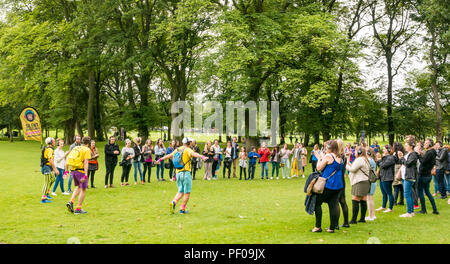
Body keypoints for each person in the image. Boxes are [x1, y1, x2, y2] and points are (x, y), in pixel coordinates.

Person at [156, 137, 208, 214]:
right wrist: (202, 157)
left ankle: (174, 202)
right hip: (186, 173)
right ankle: (182, 209)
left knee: (180, 191)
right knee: (187, 192)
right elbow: (194, 154)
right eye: (191, 142)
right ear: (189, 143)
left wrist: (160, 159)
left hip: (178, 173)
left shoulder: (178, 149)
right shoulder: (188, 150)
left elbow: (169, 155)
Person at [312, 140, 344, 233]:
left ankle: (318, 227)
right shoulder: (339, 157)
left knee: (317, 203)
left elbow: (319, 168)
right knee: (333, 205)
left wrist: (319, 159)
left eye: (327, 147)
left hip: (328, 184)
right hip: (338, 185)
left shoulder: (328, 156)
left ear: (330, 148)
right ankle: (332, 228)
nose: (326, 148)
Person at [64, 136, 92, 215]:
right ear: (89, 143)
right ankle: (78, 208)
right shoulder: (87, 150)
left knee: (78, 187)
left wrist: (66, 171)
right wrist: (86, 174)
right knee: (83, 189)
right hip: (81, 171)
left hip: (73, 170)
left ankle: (71, 201)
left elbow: (67, 159)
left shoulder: (75, 148)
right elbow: (86, 162)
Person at [346, 145, 371, 224]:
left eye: (355, 151)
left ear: (359, 152)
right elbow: (353, 165)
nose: (354, 152)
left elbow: (352, 169)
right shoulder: (364, 159)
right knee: (363, 199)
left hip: (359, 182)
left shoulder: (360, 159)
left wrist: (345, 165)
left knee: (355, 199)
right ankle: (362, 218)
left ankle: (354, 219)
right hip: (365, 181)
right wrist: (348, 158)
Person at [396, 137, 419, 217]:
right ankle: (411, 211)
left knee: (407, 194)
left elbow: (408, 164)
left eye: (406, 145)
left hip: (409, 176)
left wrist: (402, 157)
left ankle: (409, 212)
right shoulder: (407, 154)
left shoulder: (413, 154)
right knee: (408, 194)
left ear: (411, 146)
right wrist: (401, 157)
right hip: (405, 176)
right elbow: (403, 163)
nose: (405, 147)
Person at [416, 138, 439, 214]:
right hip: (427, 174)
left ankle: (423, 210)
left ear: (430, 144)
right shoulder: (431, 152)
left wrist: (419, 155)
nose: (424, 144)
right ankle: (434, 209)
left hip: (424, 175)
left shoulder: (430, 153)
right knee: (427, 192)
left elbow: (423, 162)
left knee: (421, 192)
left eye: (426, 143)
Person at [376, 145, 396, 213]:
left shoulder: (391, 158)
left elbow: (383, 165)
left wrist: (380, 160)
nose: (383, 150)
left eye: (384, 149)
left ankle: (390, 208)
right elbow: (378, 163)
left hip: (388, 177)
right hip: (382, 177)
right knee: (384, 193)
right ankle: (383, 206)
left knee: (389, 193)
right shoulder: (384, 157)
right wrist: (379, 160)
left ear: (389, 150)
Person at [40, 137, 59, 203]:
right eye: (54, 141)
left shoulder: (49, 149)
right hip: (46, 167)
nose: (55, 142)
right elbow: (50, 160)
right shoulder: (50, 149)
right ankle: (43, 199)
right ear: (50, 142)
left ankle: (46, 192)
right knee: (46, 183)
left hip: (49, 167)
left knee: (53, 178)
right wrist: (55, 169)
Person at [336, 139, 349, 228]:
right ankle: (346, 222)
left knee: (335, 202)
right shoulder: (344, 156)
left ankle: (335, 224)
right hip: (342, 180)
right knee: (343, 201)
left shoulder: (337, 156)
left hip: (337, 180)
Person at [366, 149, 378, 221]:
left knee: (369, 198)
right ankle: (372, 215)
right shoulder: (372, 160)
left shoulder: (369, 160)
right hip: (373, 180)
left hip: (370, 180)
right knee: (370, 198)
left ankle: (371, 215)